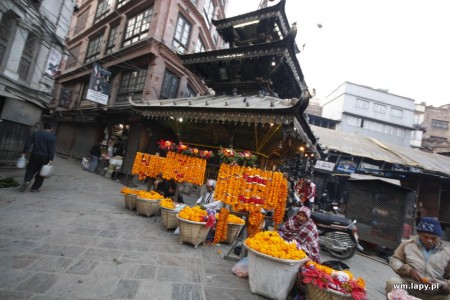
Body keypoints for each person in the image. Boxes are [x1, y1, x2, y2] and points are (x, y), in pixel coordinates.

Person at [385, 217, 450, 300]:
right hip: (411, 287)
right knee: (393, 283)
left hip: (434, 293)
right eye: (425, 237)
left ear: (439, 237)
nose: (429, 241)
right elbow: (394, 260)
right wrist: (409, 270)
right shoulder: (407, 245)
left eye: (434, 238)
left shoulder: (447, 254)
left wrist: (442, 284)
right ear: (419, 234)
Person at [19, 119, 56, 192]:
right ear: (51, 128)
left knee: (30, 169)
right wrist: (51, 159)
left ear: (44, 126)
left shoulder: (36, 133)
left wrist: (24, 152)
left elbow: (28, 143)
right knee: (41, 173)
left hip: (34, 155)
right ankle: (35, 188)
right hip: (45, 157)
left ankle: (27, 181)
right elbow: (52, 149)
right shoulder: (52, 137)